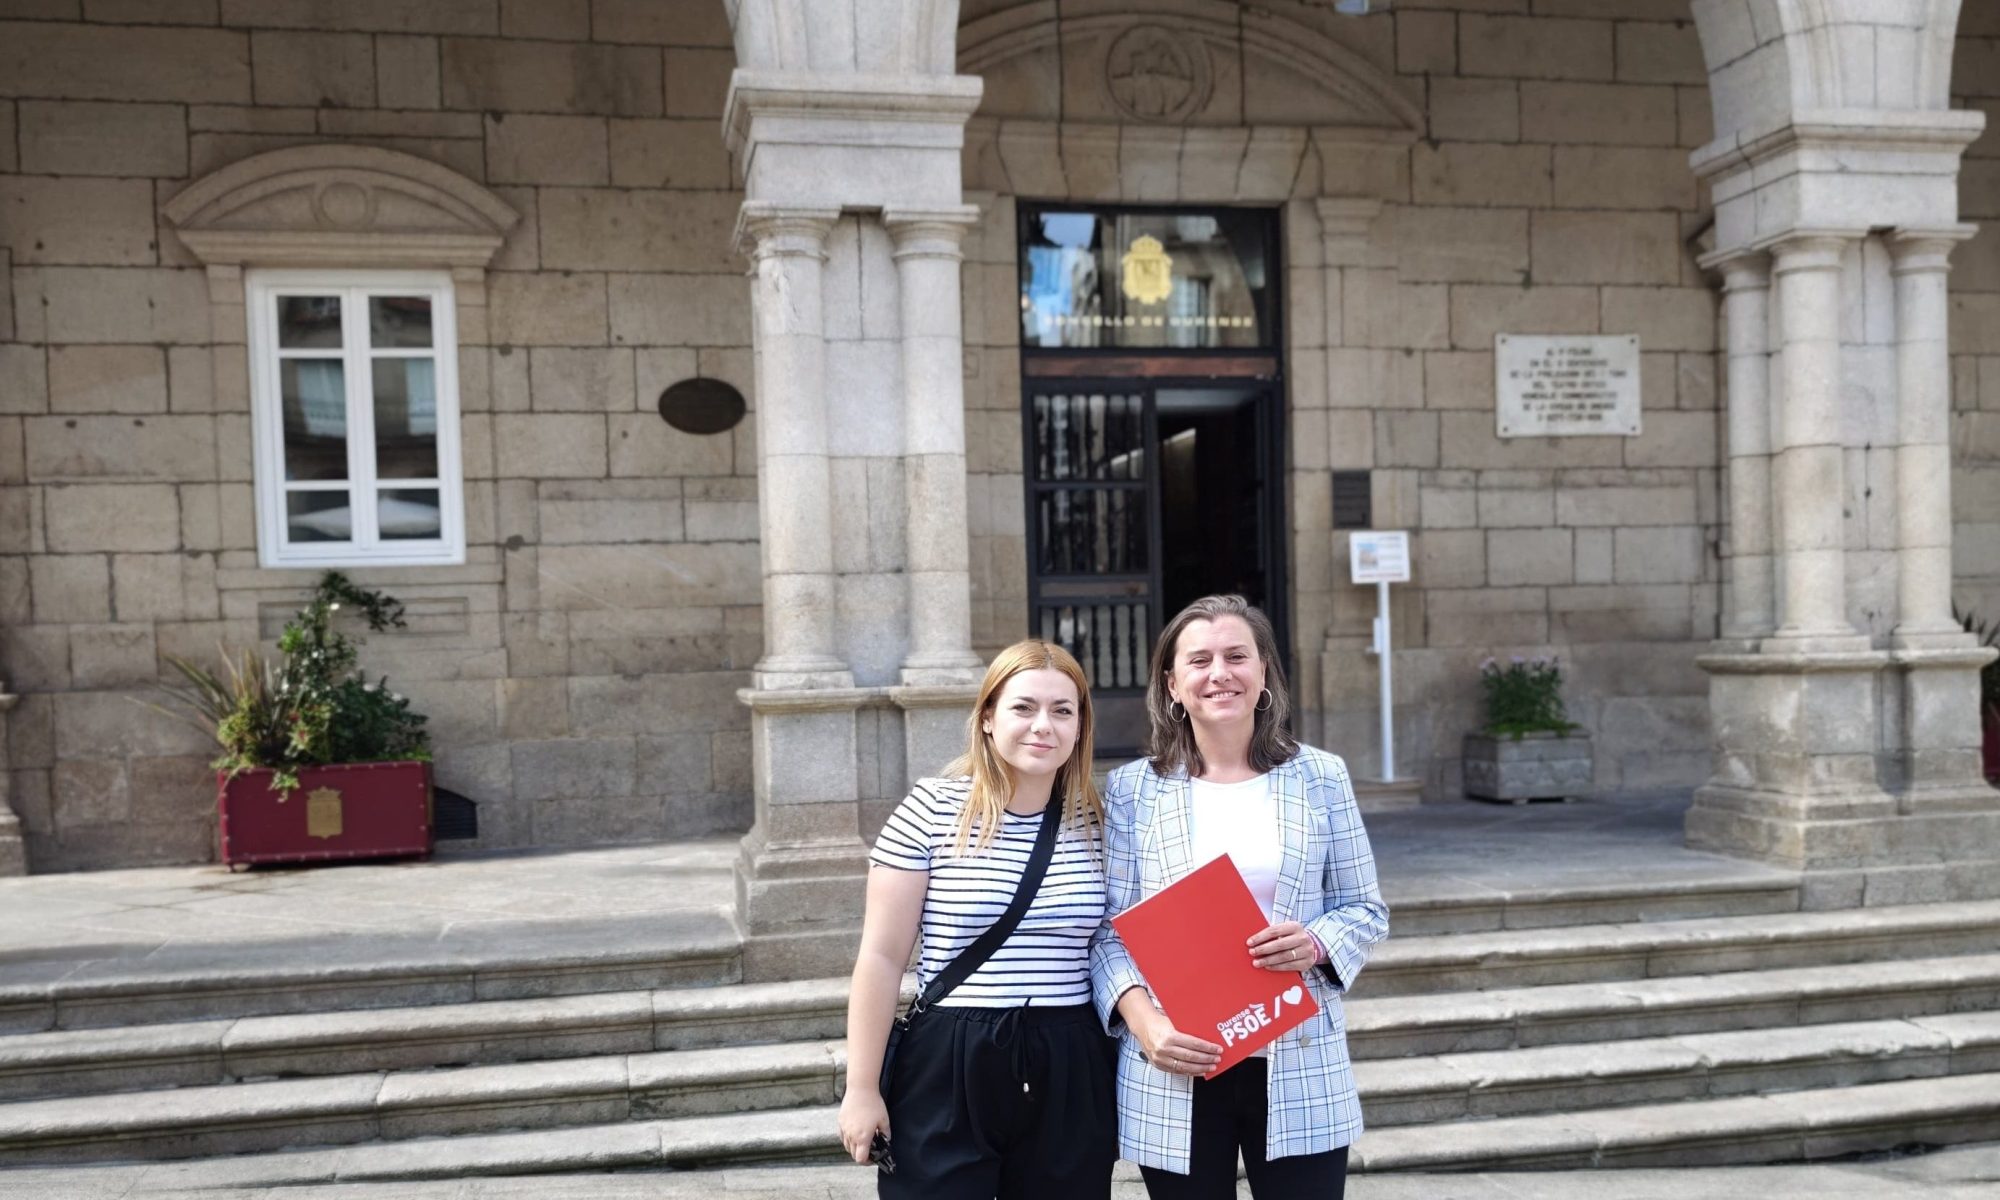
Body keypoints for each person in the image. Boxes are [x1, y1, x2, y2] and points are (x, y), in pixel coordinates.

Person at [1091, 594, 1389, 1199]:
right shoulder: (1131, 790)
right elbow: (1108, 933)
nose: (1219, 673)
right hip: (1178, 1064)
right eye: (1199, 660)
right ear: (1172, 685)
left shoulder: (1321, 777)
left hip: (1299, 1059)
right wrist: (1145, 1026)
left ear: (1263, 672)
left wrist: (1315, 942)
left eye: (1236, 656)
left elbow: (1364, 908)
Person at [837, 639, 1116, 1200]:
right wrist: (861, 1088)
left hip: (1069, 1054)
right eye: (1023, 707)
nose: (1043, 725)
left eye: (1063, 710)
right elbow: (882, 957)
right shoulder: (931, 808)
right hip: (950, 1052)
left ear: (1081, 727)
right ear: (988, 717)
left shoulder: (1099, 821)